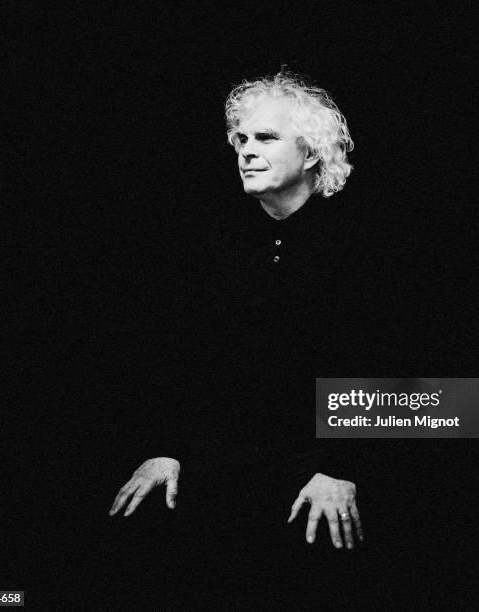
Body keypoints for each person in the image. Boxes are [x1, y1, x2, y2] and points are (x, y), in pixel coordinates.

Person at [108, 72, 378, 605]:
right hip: (227, 461)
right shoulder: (212, 243)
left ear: (310, 154)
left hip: (322, 461)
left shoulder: (363, 246)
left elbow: (382, 369)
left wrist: (338, 467)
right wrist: (165, 449)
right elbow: (178, 360)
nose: (246, 151)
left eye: (267, 138)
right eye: (241, 139)